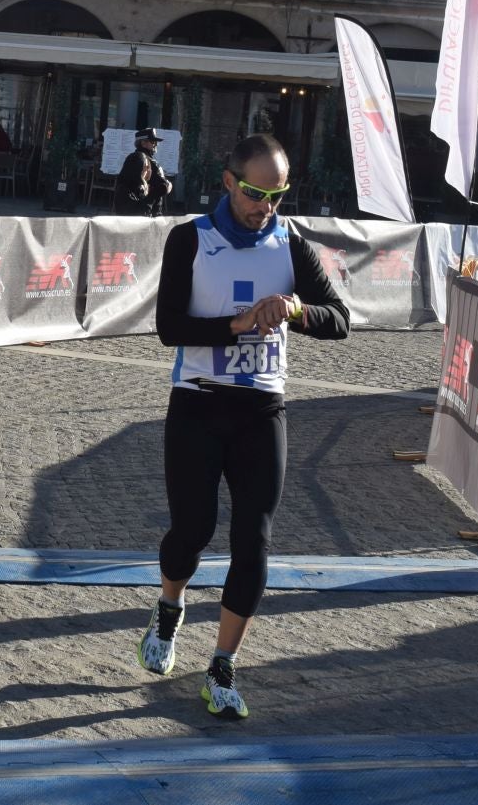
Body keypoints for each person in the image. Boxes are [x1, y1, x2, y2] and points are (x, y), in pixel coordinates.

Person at [137, 133, 349, 718]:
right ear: (229, 182)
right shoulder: (191, 239)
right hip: (198, 404)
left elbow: (340, 320)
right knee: (192, 530)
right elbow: (169, 327)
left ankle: (223, 666)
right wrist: (234, 326)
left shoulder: (291, 243)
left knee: (253, 540)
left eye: (278, 195)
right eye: (256, 193)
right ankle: (170, 606)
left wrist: (297, 310)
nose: (266, 206)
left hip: (262, 409)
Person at [113, 126, 173, 217]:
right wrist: (168, 185)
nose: (155, 144)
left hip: (139, 211)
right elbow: (162, 187)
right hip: (141, 213)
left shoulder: (138, 157)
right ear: (143, 143)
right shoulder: (140, 158)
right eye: (152, 141)